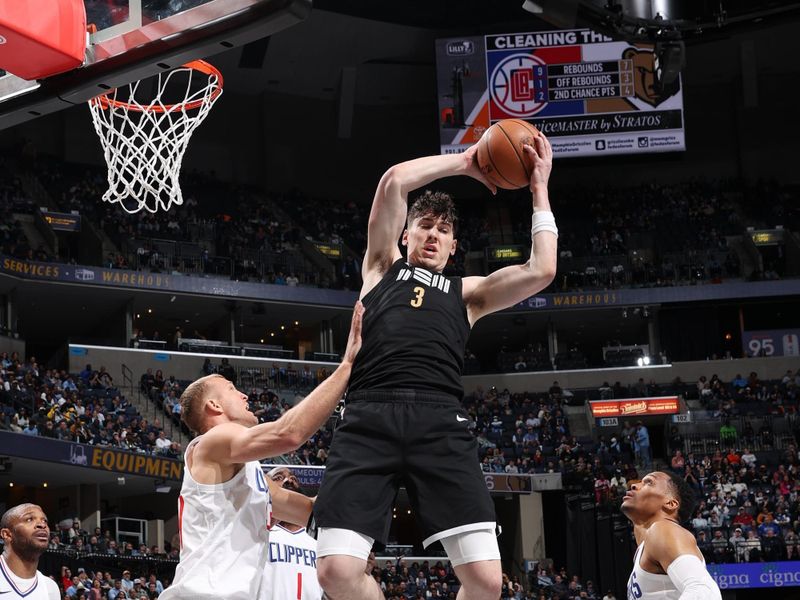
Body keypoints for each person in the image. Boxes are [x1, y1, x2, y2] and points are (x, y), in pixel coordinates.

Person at [314, 134, 557, 600]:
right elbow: (394, 182)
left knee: (487, 583)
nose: (432, 235)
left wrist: (539, 189)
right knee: (337, 573)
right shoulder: (380, 267)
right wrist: (467, 162)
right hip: (369, 416)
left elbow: (541, 269)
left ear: (452, 245)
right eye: (424, 226)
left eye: (443, 230)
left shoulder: (468, 293)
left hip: (440, 421)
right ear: (405, 236)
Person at [159, 303, 363, 600]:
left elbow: (310, 511)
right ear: (214, 407)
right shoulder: (213, 441)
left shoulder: (252, 476)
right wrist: (346, 366)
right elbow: (289, 434)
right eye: (231, 388)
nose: (243, 394)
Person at [621, 471, 721, 599]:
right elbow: (639, 526)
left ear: (671, 503)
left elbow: (704, 591)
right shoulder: (648, 543)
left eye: (649, 482)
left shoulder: (664, 530)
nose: (634, 486)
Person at [260, 467, 323, 600]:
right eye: (278, 478)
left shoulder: (319, 539)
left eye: (293, 478)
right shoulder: (257, 532)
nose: (289, 480)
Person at [0, 503, 61, 599]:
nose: (42, 525)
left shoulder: (50, 588)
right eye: (29, 519)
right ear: (7, 534)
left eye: (45, 521)